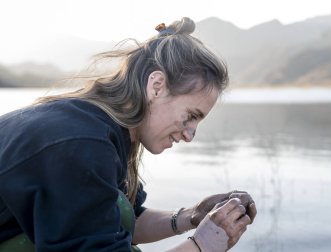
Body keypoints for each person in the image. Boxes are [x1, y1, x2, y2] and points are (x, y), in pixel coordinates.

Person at [0, 17, 256, 251]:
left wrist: (194, 216)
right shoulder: (80, 144)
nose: (190, 135)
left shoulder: (100, 130)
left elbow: (129, 221)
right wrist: (204, 245)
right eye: (191, 115)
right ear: (156, 86)